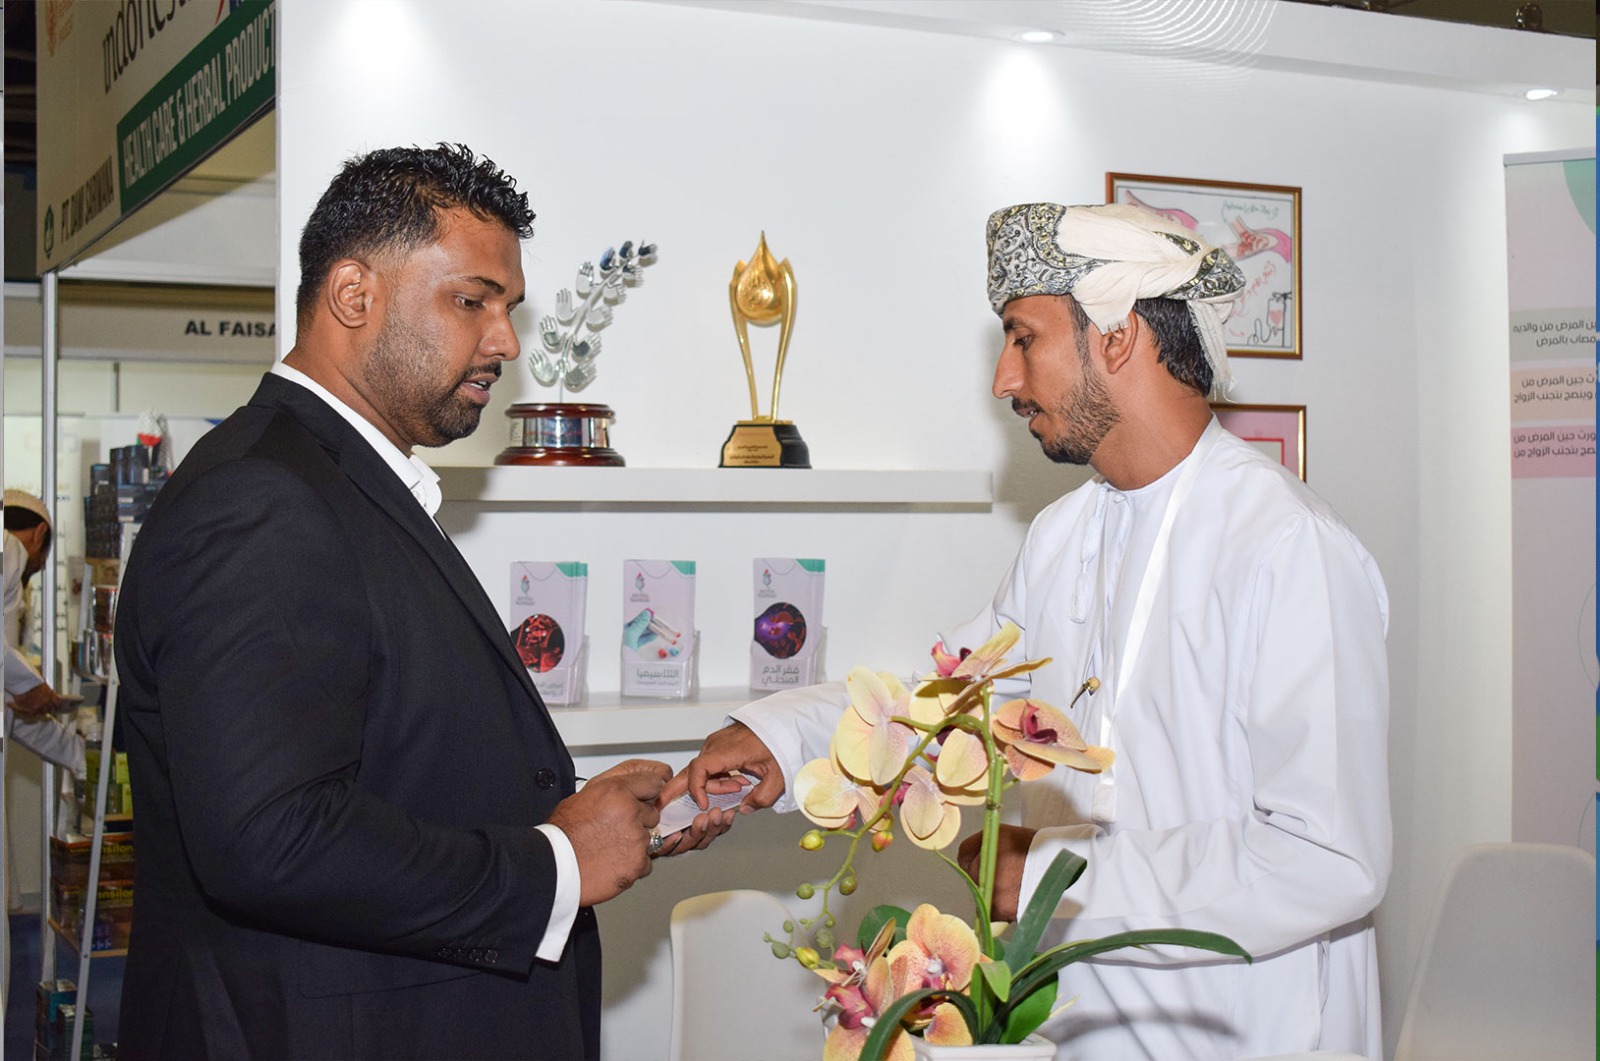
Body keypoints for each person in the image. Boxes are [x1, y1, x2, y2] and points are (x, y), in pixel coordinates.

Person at [675, 203, 1391, 1059]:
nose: (1003, 379)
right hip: (1081, 1027)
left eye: (1024, 338)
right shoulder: (1063, 536)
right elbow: (948, 703)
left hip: (1251, 1033)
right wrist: (781, 740)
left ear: (1118, 336)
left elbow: (1328, 856)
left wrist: (1052, 871)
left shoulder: (1287, 545)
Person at [114, 143, 730, 1060]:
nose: (506, 341)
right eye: (472, 300)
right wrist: (555, 863)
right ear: (353, 295)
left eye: (508, 307)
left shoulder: (336, 483)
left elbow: (388, 765)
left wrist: (583, 821)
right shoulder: (263, 499)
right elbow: (270, 838)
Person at [2, 489, 88, 1026]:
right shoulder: (10, 550)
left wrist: (78, 754)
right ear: (38, 536)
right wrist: (29, 685)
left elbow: (11, 717)